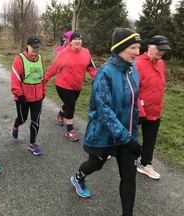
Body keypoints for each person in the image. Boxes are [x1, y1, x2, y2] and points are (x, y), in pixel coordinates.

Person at [70, 27, 142, 216]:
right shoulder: (105, 74)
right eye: (133, 48)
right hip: (104, 134)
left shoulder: (133, 71)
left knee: (129, 176)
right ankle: (78, 177)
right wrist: (126, 138)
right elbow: (104, 111)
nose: (138, 52)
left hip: (127, 135)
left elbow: (134, 101)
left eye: (138, 47)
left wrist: (135, 127)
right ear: (120, 48)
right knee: (96, 165)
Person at [44, 31, 97, 142]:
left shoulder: (86, 52)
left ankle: (60, 114)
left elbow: (90, 67)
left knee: (69, 104)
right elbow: (53, 69)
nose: (77, 41)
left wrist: (97, 79)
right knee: (71, 106)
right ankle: (70, 131)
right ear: (70, 41)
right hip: (63, 85)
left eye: (79, 39)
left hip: (77, 86)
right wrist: (44, 81)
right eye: (75, 39)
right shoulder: (63, 53)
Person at [135, 35, 171, 180]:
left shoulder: (161, 63)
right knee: (126, 135)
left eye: (164, 50)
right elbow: (132, 90)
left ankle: (145, 164)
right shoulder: (137, 63)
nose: (162, 52)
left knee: (150, 139)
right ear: (150, 46)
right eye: (159, 48)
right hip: (138, 111)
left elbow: (160, 85)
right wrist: (140, 110)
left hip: (155, 109)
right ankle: (108, 151)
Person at [10, 34, 45, 156]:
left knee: (36, 120)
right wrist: (19, 94)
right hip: (23, 97)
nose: (35, 50)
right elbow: (15, 78)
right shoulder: (19, 59)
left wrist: (43, 91)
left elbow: (42, 77)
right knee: (22, 119)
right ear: (27, 46)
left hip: (37, 97)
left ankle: (32, 143)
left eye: (37, 47)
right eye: (33, 47)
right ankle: (15, 125)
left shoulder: (40, 58)